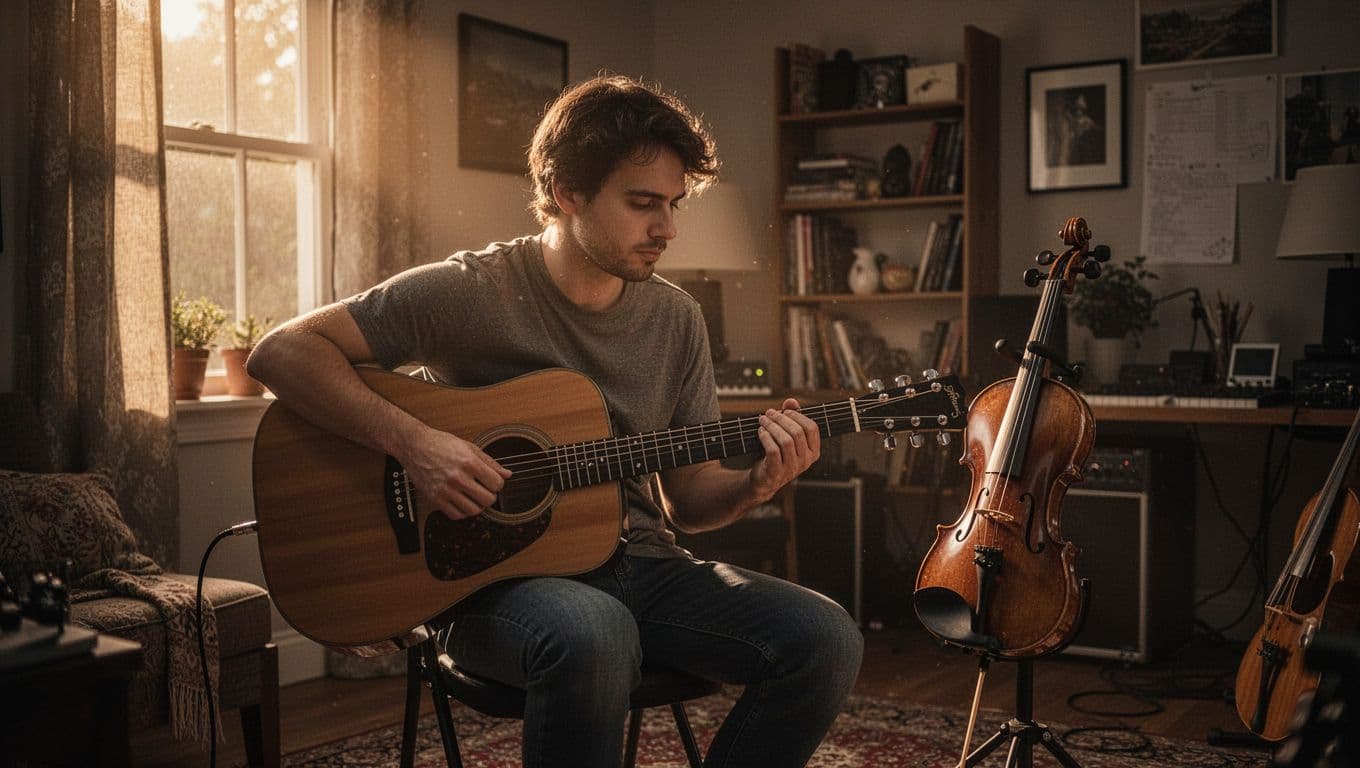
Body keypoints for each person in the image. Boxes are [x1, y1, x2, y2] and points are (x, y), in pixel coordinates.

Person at [247, 74, 863, 767]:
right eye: (642, 204)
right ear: (567, 194)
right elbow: (281, 352)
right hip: (489, 585)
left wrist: (755, 485)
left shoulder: (676, 319)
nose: (667, 228)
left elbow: (689, 502)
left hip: (644, 568)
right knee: (593, 633)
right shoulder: (471, 291)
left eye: (673, 204)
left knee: (826, 637)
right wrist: (416, 444)